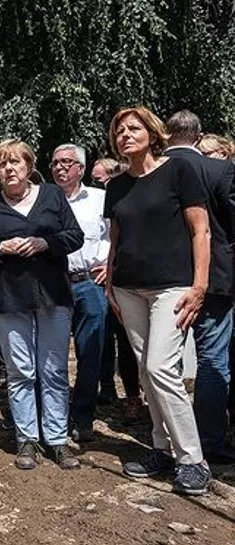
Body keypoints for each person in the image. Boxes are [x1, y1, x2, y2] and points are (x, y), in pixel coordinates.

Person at [103, 106, 211, 496]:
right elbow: (116, 239)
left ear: (152, 132)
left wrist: (199, 286)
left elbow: (201, 231)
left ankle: (193, 459)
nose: (125, 136)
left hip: (172, 288)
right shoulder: (116, 186)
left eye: (133, 128)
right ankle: (161, 448)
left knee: (161, 368)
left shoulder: (178, 172)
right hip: (128, 289)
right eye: (119, 131)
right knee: (148, 374)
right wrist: (110, 284)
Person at [0, 139, 84, 471]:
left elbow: (74, 236)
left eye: (16, 162)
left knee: (54, 370)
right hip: (8, 298)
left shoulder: (51, 196)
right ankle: (26, 439)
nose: (9, 169)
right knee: (20, 371)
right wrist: (0, 247)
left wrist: (44, 242)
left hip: (52, 295)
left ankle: (57, 440)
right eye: (3, 164)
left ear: (29, 166)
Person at [165, 110, 235, 464]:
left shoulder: (151, 169)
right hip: (215, 281)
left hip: (162, 280)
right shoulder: (219, 170)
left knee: (163, 362)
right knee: (212, 360)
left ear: (165, 134)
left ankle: (168, 435)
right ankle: (208, 438)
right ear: (198, 135)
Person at [49, 144, 109, 443]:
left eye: (67, 162)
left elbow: (115, 233)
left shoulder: (100, 199)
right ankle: (55, 416)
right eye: (56, 163)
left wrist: (110, 263)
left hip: (89, 284)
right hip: (54, 284)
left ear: (81, 169)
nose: (60, 168)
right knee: (53, 354)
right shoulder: (44, 199)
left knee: (90, 352)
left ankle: (83, 416)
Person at [90, 157, 144, 420]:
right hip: (107, 277)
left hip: (128, 278)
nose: (100, 184)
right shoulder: (104, 199)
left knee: (127, 342)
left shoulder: (132, 199)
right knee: (102, 340)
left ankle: (134, 397)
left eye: (101, 178)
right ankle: (107, 388)